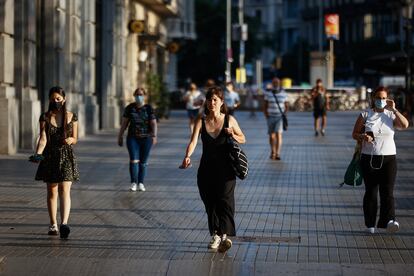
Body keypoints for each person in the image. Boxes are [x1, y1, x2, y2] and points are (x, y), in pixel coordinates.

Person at [180, 86, 246, 252]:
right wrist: (187, 156)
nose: (211, 103)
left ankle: (224, 235)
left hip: (226, 170)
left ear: (221, 101)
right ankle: (215, 235)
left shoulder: (229, 120)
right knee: (210, 203)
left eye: (215, 100)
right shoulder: (201, 120)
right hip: (206, 169)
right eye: (209, 100)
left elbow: (243, 138)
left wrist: (232, 134)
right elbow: (193, 141)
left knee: (225, 200)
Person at [352, 86, 409, 234]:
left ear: (387, 99)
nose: (381, 101)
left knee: (387, 192)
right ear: (373, 99)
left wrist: (395, 109)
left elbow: (405, 125)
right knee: (371, 192)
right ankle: (370, 224)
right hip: (369, 158)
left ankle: (389, 221)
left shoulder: (391, 115)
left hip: (389, 159)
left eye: (384, 98)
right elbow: (354, 133)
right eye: (378, 98)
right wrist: (362, 136)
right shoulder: (365, 114)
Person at [29, 86, 79, 239]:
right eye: (53, 99)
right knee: (52, 191)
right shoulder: (45, 117)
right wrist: (38, 154)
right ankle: (53, 224)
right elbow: (43, 138)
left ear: (64, 99)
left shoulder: (72, 116)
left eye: (58, 99)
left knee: (65, 190)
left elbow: (75, 138)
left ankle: (64, 223)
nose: (56, 101)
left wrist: (71, 139)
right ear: (49, 100)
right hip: (50, 156)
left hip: (66, 156)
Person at [118, 88, 158, 192]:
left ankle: (141, 183)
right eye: (137, 94)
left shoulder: (149, 108)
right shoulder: (130, 108)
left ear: (144, 95)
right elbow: (124, 123)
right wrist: (120, 136)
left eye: (141, 94)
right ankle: (133, 182)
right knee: (134, 160)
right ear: (134, 95)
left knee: (143, 162)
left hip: (146, 138)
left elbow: (153, 123)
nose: (138, 96)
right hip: (132, 138)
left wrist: (154, 136)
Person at [263, 77, 288, 160]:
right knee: (272, 136)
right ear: (272, 83)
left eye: (277, 82)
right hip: (270, 116)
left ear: (279, 83)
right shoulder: (268, 93)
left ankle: (277, 153)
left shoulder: (284, 93)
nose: (275, 84)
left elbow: (286, 105)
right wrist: (266, 115)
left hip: (279, 116)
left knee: (278, 134)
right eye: (274, 82)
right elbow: (265, 105)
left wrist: (284, 114)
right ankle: (272, 151)